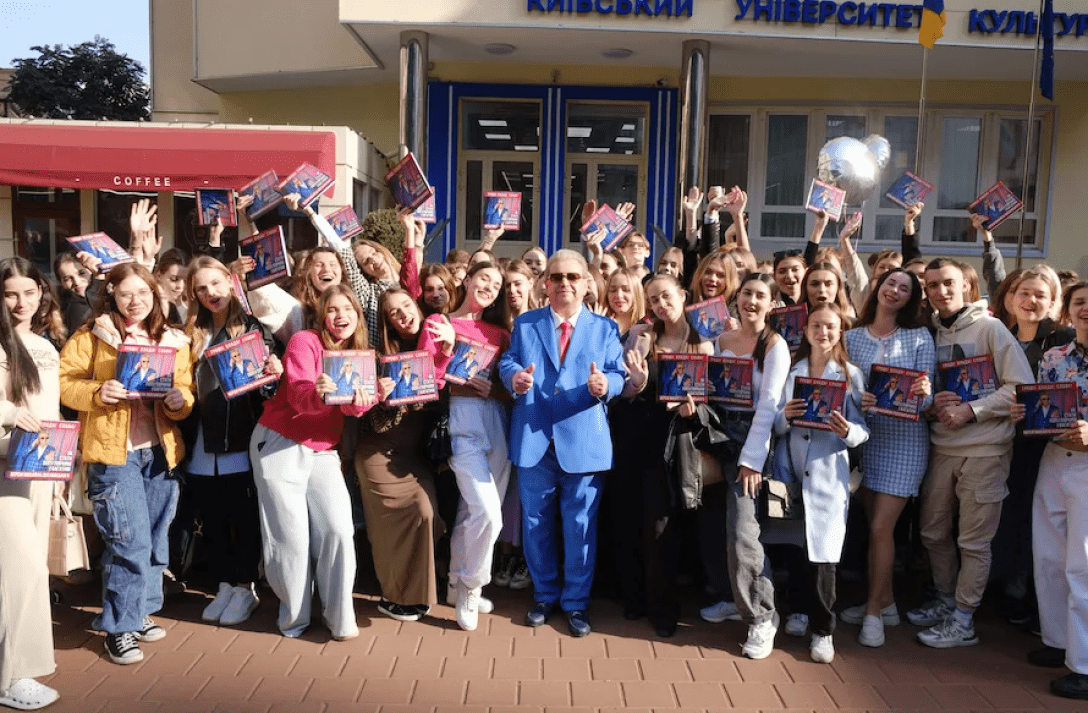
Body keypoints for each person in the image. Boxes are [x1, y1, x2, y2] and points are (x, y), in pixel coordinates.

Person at [59, 263, 194, 665]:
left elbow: (184, 389)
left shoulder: (172, 338)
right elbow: (65, 383)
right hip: (112, 454)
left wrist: (179, 402)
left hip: (158, 452)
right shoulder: (93, 335)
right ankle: (118, 626)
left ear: (155, 296)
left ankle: (139, 612)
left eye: (143, 294)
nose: (135, 302)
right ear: (111, 295)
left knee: (154, 539)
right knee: (127, 540)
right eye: (126, 294)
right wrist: (99, 391)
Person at [907, 258, 1033, 648]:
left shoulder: (991, 328)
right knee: (932, 531)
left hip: (985, 451)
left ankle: (964, 619)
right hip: (941, 447)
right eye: (930, 286)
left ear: (966, 285)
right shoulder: (930, 333)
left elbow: (1021, 387)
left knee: (973, 542)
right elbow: (932, 393)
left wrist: (972, 410)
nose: (939, 292)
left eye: (947, 283)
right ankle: (946, 600)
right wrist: (930, 402)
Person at [498, 249, 625, 637]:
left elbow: (619, 374)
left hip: (583, 441)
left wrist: (607, 386)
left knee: (580, 526)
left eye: (572, 277)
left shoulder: (604, 329)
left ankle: (575, 603)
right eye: (556, 278)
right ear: (545, 283)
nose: (564, 284)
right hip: (535, 437)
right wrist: (514, 377)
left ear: (587, 283)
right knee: (535, 525)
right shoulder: (526, 324)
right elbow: (508, 361)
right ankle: (544, 594)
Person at [249, 284, 375, 640]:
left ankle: (340, 617)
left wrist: (362, 400)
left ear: (357, 315)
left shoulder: (359, 353)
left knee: (338, 529)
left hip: (322, 448)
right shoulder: (305, 341)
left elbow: (353, 407)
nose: (341, 317)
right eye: (333, 310)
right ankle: (294, 617)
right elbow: (299, 395)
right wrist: (319, 394)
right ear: (322, 316)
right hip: (280, 441)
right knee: (289, 537)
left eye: (347, 309)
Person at [614, 273, 715, 637]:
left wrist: (695, 408)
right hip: (636, 437)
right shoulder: (642, 335)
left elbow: (711, 396)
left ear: (683, 295)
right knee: (633, 521)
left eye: (666, 296)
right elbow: (624, 390)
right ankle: (634, 597)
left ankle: (662, 606)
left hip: (677, 442)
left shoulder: (704, 341)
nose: (660, 305)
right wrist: (637, 382)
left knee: (663, 527)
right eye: (653, 299)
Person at [183, 255, 281, 627]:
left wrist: (272, 373)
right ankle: (224, 584)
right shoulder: (190, 332)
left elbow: (268, 390)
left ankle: (246, 587)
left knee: (242, 519)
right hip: (200, 443)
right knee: (211, 517)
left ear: (229, 281)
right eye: (201, 288)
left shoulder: (252, 326)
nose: (210, 293)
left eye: (215, 284)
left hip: (241, 439)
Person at [697, 273, 789, 658]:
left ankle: (762, 617)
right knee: (713, 522)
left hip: (750, 441)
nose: (752, 300)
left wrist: (752, 460)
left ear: (771, 303)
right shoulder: (720, 338)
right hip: (716, 433)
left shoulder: (774, 345)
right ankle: (733, 598)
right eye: (747, 293)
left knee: (745, 532)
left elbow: (769, 407)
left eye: (760, 296)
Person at [841, 268, 934, 647]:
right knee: (873, 525)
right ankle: (887, 601)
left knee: (881, 528)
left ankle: (874, 614)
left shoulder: (919, 336)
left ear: (911, 298)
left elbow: (927, 400)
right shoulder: (850, 337)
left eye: (904, 288)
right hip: (863, 443)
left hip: (906, 442)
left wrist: (924, 391)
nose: (894, 290)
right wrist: (853, 399)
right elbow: (839, 388)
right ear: (878, 287)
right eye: (890, 283)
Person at [418, 261, 511, 631]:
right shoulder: (439, 323)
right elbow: (426, 377)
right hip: (460, 418)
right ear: (468, 280)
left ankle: (456, 583)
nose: (490, 285)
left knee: (472, 513)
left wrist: (498, 390)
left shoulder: (500, 333)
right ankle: (473, 586)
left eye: (497, 283)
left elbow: (509, 382)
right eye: (484, 278)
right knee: (488, 513)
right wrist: (447, 351)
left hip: (497, 421)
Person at [775, 303, 869, 664]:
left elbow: (863, 429)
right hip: (794, 470)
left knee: (825, 557)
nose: (823, 332)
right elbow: (775, 423)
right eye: (816, 325)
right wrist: (786, 416)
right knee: (796, 547)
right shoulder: (792, 371)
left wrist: (848, 432)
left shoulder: (850, 375)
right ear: (806, 329)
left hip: (829, 472)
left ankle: (824, 630)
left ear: (840, 330)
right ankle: (798, 611)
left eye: (830, 326)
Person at [355, 288, 443, 622]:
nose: (402, 313)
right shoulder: (381, 357)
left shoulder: (438, 341)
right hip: (379, 452)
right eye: (393, 312)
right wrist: (385, 398)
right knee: (401, 518)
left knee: (427, 514)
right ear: (388, 321)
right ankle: (396, 595)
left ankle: (413, 590)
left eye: (406, 305)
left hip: (414, 456)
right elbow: (375, 423)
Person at [0, 257, 63, 709]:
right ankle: (13, 675)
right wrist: (7, 414)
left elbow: (53, 412)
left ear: (42, 292)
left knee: (29, 568)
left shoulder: (46, 345)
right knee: (18, 572)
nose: (21, 302)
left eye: (29, 291)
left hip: (40, 471)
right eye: (10, 293)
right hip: (4, 469)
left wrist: (59, 475)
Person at [1020, 281, 1088, 699]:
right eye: (1081, 302)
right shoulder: (1054, 356)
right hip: (1052, 459)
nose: (1087, 309)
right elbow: (1042, 405)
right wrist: (1023, 411)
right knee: (1047, 556)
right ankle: (1058, 640)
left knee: (1081, 565)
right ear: (1068, 311)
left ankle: (1083, 664)